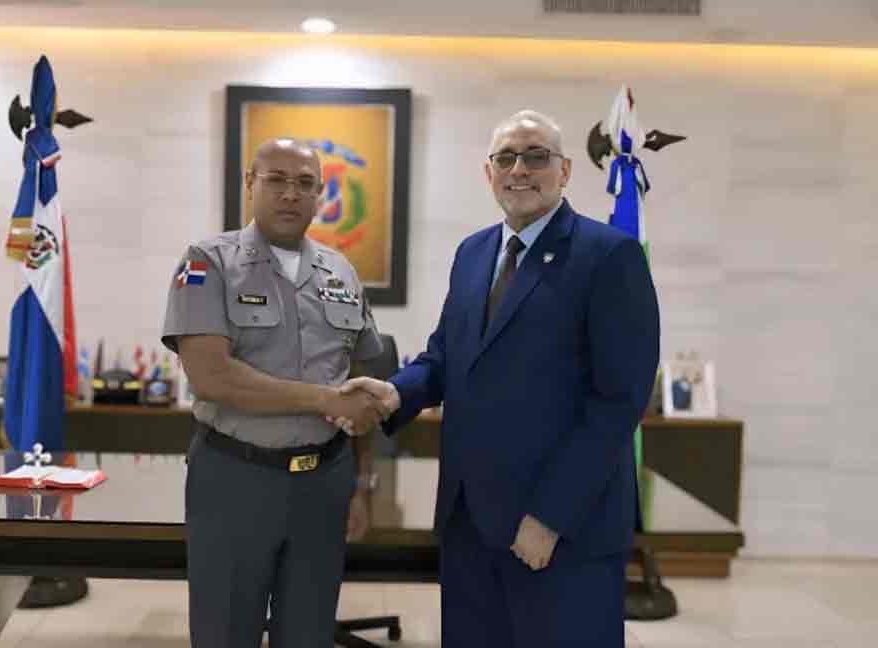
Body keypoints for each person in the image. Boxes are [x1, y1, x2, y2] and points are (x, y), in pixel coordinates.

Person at [340, 111, 661, 646]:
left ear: (565, 171)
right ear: (488, 172)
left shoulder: (609, 256)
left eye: (536, 156)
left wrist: (550, 517)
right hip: (470, 520)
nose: (520, 169)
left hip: (560, 529)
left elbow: (617, 403)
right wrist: (397, 391)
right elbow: (447, 355)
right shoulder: (473, 253)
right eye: (506, 158)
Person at [161, 138, 386, 648]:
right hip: (236, 480)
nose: (291, 194)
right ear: (250, 184)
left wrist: (360, 480)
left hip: (324, 482)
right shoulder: (207, 262)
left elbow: (363, 383)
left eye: (305, 184)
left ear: (319, 194)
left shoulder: (340, 271)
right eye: (276, 180)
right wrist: (324, 400)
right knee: (226, 632)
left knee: (308, 633)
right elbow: (211, 377)